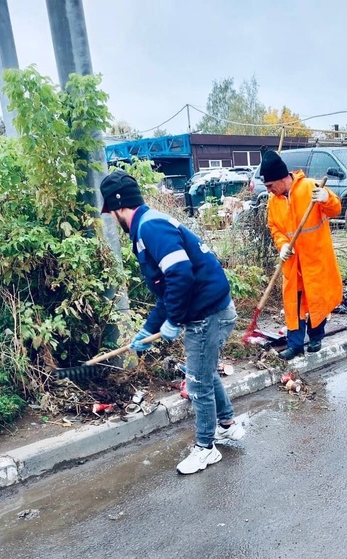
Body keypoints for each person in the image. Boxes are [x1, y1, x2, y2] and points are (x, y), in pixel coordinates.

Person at [99, 170, 244, 474]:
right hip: (211, 309)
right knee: (203, 371)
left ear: (118, 206)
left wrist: (175, 321)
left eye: (111, 214)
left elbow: (180, 274)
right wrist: (149, 329)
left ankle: (206, 448)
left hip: (208, 315)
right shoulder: (148, 225)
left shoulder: (150, 228)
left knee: (198, 381)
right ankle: (227, 424)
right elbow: (167, 289)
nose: (112, 220)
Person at [261, 150, 343, 360]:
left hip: (315, 258)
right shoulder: (274, 201)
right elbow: (274, 228)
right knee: (294, 303)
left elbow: (335, 210)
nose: (269, 190)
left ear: (282, 178)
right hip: (293, 262)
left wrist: (327, 198)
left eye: (270, 185)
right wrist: (282, 245)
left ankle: (316, 338)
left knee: (317, 300)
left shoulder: (311, 187)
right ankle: (295, 345)